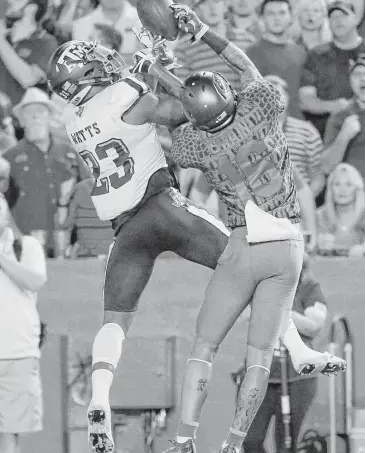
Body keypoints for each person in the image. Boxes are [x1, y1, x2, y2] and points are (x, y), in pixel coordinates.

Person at [46, 38, 345, 453]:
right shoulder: (123, 94)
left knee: (114, 320)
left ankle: (99, 397)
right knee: (250, 267)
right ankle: (296, 348)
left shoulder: (69, 116)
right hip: (164, 207)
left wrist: (144, 70)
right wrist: (158, 67)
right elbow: (185, 111)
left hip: (125, 230)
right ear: (88, 72)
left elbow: (123, 112)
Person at [130, 3, 346, 453]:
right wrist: (204, 32)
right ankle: (232, 445)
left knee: (203, 347)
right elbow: (243, 67)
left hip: (243, 244)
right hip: (287, 243)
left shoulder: (196, 143)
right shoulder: (264, 107)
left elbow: (180, 115)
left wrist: (153, 71)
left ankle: (185, 440)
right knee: (260, 359)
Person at [232, 253, 327, 453]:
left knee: (286, 442)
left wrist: (284, 311)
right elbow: (241, 314)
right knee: (249, 440)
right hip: (260, 376)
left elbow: (314, 325)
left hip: (296, 380)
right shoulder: (258, 288)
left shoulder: (309, 289)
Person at [2, 88, 89, 256]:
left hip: (67, 250)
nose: (35, 117)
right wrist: (17, 239)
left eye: (40, 111)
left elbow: (91, 197)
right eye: (29, 113)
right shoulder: (9, 159)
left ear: (49, 116)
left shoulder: (70, 154)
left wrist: (86, 238)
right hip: (25, 251)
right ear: (21, 121)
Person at [0, 194, 47, 453]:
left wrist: (3, 259)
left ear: (7, 215)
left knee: (10, 433)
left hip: (17, 354)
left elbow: (36, 281)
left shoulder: (26, 246)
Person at [299, 0, 365, 137]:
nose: (338, 20)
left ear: (356, 19)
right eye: (333, 17)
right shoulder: (316, 55)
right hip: (325, 135)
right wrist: (335, 106)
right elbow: (305, 101)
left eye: (343, 15)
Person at [264, 75, 325, 198]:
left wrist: (305, 202)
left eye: (278, 95)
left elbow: (318, 176)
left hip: (300, 208)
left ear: (287, 98)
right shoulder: (246, 134)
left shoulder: (307, 131)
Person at [246, 0, 306, 119]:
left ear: (291, 18)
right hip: (265, 126)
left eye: (282, 13)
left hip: (298, 126)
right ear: (261, 18)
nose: (277, 18)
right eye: (271, 13)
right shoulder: (252, 53)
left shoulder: (301, 52)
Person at [0, 0, 58, 107]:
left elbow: (28, 79)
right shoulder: (5, 37)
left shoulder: (46, 42)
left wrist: (1, 41)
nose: (9, 0)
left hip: (25, 122)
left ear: (32, 8)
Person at [321, 54, 365, 181]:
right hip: (355, 195)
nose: (363, 79)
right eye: (357, 75)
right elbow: (326, 167)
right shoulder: (340, 117)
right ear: (350, 81)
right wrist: (344, 135)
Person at [316, 163, 365, 257]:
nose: (342, 190)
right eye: (337, 184)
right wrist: (318, 244)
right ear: (331, 189)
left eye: (348, 184)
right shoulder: (320, 215)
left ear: (357, 189)